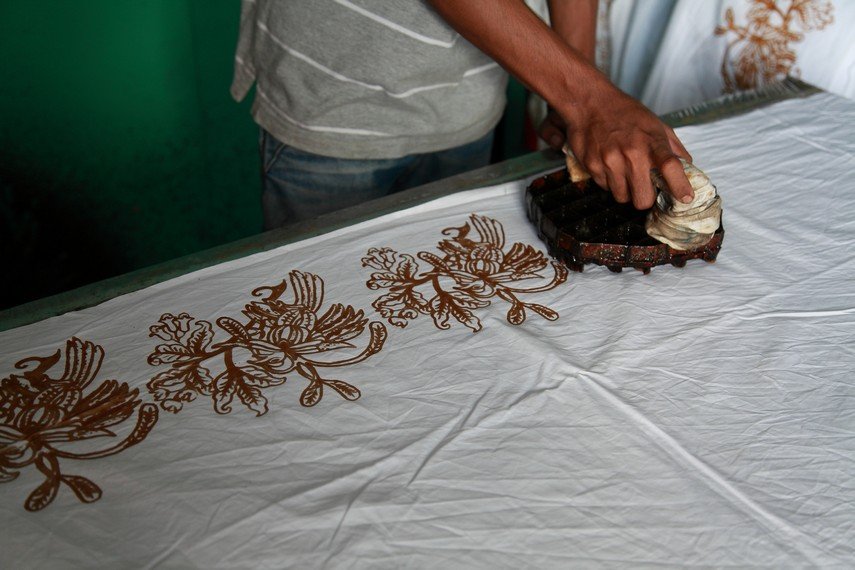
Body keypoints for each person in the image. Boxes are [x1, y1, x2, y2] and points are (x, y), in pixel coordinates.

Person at [232, 0, 694, 231]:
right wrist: (590, 101)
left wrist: (571, 101)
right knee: (332, 319)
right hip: (335, 104)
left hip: (469, 101)